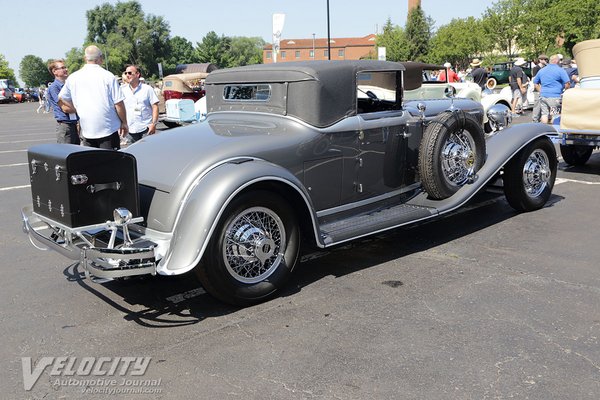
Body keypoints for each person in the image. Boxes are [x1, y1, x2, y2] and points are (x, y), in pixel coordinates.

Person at [58, 45, 128, 149]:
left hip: (87, 129)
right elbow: (119, 103)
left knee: (92, 162)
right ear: (101, 58)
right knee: (110, 163)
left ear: (85, 58)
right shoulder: (108, 76)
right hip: (108, 128)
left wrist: (74, 109)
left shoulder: (73, 77)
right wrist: (124, 122)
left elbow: (61, 98)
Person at [122, 65, 159, 143]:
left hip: (146, 128)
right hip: (130, 129)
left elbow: (155, 107)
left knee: (148, 153)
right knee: (133, 153)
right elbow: (120, 108)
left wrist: (154, 124)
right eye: (126, 73)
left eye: (129, 73)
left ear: (137, 74)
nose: (127, 75)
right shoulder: (123, 90)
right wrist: (121, 124)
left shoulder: (147, 89)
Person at [46, 59, 79, 144]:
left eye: (65, 67)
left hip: (73, 124)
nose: (66, 69)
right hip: (65, 126)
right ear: (55, 71)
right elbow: (65, 108)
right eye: (63, 68)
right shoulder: (54, 87)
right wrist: (82, 109)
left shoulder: (68, 86)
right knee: (67, 154)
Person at [532, 54, 570, 124]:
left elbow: (535, 83)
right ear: (557, 61)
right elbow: (567, 83)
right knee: (555, 115)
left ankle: (544, 130)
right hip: (555, 96)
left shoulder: (542, 70)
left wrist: (541, 91)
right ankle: (555, 131)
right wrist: (565, 91)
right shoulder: (560, 70)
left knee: (544, 114)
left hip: (543, 96)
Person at [531, 54, 548, 122]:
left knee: (543, 105)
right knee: (537, 105)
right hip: (538, 88)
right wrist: (538, 88)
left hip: (544, 88)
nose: (544, 61)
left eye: (546, 59)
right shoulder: (536, 68)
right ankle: (535, 120)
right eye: (543, 59)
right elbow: (535, 80)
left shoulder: (546, 67)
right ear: (540, 60)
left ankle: (541, 119)